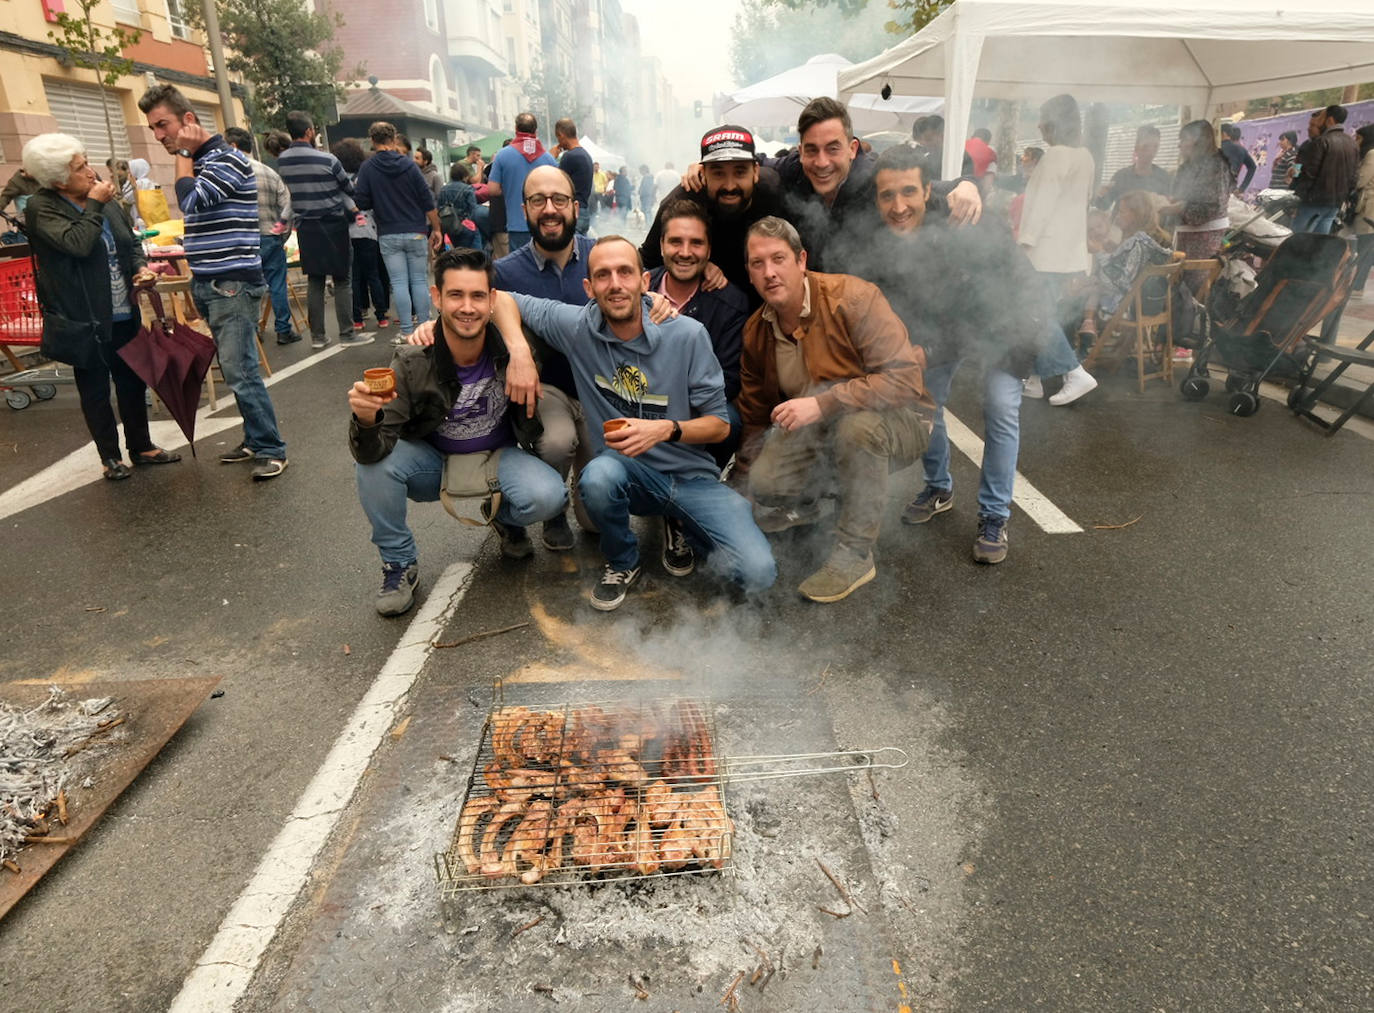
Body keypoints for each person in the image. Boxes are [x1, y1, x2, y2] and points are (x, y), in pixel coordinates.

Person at [490, 236, 777, 612]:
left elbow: (720, 427)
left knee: (758, 574)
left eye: (625, 272)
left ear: (644, 281)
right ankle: (623, 561)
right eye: (603, 275)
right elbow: (499, 298)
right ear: (589, 288)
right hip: (629, 477)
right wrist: (520, 352)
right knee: (598, 476)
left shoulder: (687, 335)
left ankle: (684, 523)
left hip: (691, 478)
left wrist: (667, 429)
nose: (615, 284)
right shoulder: (578, 327)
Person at [348, 247, 567, 616]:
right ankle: (399, 563)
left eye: (478, 295)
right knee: (374, 465)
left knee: (549, 497)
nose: (467, 307)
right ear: (436, 297)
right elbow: (375, 447)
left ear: (491, 300)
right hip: (435, 461)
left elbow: (581, 322)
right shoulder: (413, 359)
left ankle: (506, 518)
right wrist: (367, 420)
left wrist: (654, 300)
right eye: (456, 295)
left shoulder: (516, 348)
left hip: (499, 457)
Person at [862, 145, 1044, 565]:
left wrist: (928, 350)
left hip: (1008, 321)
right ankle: (939, 487)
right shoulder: (886, 236)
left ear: (929, 192)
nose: (898, 206)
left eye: (909, 192)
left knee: (999, 406)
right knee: (926, 398)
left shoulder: (969, 225)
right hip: (948, 326)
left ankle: (995, 515)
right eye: (887, 196)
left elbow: (981, 314)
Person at [736, 216, 927, 603]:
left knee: (856, 430)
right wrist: (745, 486)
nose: (770, 273)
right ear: (750, 273)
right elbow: (755, 413)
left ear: (801, 260)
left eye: (778, 259)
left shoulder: (853, 298)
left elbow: (906, 381)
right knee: (766, 481)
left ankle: (855, 553)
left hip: (900, 420)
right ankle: (815, 502)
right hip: (821, 427)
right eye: (758, 264)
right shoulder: (757, 330)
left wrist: (824, 403)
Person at [139, 83, 288, 479]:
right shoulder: (204, 162)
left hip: (232, 282)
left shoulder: (226, 160)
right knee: (233, 365)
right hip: (211, 280)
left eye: (163, 125)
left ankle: (272, 447)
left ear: (188, 120)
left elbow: (190, 201)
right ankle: (255, 439)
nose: (159, 135)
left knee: (241, 371)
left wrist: (185, 153)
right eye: (153, 128)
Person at [22, 133, 179, 480]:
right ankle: (110, 456)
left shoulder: (106, 200)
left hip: (123, 307)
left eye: (87, 162)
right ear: (58, 180)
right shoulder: (42, 207)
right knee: (94, 387)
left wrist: (140, 267)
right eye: (80, 169)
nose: (91, 173)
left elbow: (129, 242)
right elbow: (76, 244)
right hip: (84, 316)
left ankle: (141, 446)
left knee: (133, 379)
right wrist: (93, 205)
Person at [648, 199, 750, 467]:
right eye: (675, 242)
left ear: (709, 250)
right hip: (640, 401)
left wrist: (676, 408)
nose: (685, 252)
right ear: (661, 246)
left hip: (697, 409)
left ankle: (699, 479)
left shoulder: (731, 304)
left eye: (696, 243)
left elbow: (729, 379)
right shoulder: (638, 293)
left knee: (730, 417)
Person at [641, 125, 789, 306]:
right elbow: (646, 262)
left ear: (756, 172)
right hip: (710, 308)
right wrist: (697, 264)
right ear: (703, 174)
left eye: (740, 172)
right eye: (718, 173)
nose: (729, 185)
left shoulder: (773, 191)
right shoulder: (680, 203)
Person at [1018, 93, 1099, 406]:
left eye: (1043, 118)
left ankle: (1073, 372)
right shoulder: (1085, 157)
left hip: (1044, 252)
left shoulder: (1056, 156)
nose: (1039, 124)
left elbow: (1042, 206)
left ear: (1054, 122)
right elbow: (1084, 203)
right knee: (1045, 313)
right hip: (1070, 252)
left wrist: (1025, 242)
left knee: (1036, 314)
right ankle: (1036, 379)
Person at [275, 110, 369, 349]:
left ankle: (318, 337)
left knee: (315, 280)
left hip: (306, 227)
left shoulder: (283, 160)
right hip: (333, 223)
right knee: (342, 280)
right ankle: (347, 333)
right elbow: (347, 188)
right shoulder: (328, 160)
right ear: (309, 132)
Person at [354, 120, 443, 343]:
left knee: (399, 282)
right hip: (415, 231)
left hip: (388, 233)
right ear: (394, 140)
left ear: (372, 141)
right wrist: (437, 229)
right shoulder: (409, 166)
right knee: (420, 280)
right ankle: (425, 327)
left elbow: (361, 201)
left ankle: (405, 331)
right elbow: (427, 199)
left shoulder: (368, 168)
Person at [225, 127, 299, 346]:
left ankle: (253, 328)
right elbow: (288, 205)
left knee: (247, 286)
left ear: (233, 146)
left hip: (242, 240)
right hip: (270, 236)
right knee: (277, 285)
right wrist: (281, 235)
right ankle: (283, 330)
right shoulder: (269, 172)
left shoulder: (228, 174)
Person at [1075, 190, 1175, 343]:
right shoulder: (1157, 237)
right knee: (1085, 288)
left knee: (1076, 296)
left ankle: (1082, 341)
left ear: (1136, 214)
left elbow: (1119, 281)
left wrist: (1099, 252)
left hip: (1129, 305)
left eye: (1122, 211)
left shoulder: (1138, 242)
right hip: (1154, 303)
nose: (1117, 216)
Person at [1163, 119, 1231, 289]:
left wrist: (1181, 207)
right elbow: (1179, 196)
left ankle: (1194, 314)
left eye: (1184, 140)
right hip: (1184, 237)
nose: (1180, 145)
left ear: (1198, 141)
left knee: (1194, 286)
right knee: (1178, 282)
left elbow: (1212, 206)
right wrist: (1170, 202)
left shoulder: (1216, 165)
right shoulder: (1185, 168)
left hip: (1204, 240)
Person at [333, 138, 391, 333]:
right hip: (367, 229)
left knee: (355, 278)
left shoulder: (337, 180)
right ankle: (382, 315)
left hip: (346, 232)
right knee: (373, 274)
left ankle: (357, 319)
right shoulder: (364, 175)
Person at [487, 112, 556, 252]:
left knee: (520, 269)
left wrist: (510, 189)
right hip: (544, 224)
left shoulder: (502, 155)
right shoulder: (549, 158)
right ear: (535, 131)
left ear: (516, 129)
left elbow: (492, 189)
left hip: (516, 225)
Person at [1293, 104, 1359, 235]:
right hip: (1334, 203)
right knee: (1320, 243)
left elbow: (1309, 174)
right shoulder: (1352, 143)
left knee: (1299, 241)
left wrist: (1297, 197)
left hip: (1314, 202)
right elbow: (1354, 176)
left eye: (1321, 117)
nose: (1316, 123)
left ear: (1329, 120)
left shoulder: (1321, 141)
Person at [1095, 125, 1173, 210]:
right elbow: (1103, 206)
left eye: (1155, 147)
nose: (1151, 152)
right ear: (1136, 148)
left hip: (1151, 223)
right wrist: (1101, 194)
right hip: (1120, 223)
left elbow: (1167, 210)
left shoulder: (1163, 177)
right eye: (1145, 146)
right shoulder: (1121, 176)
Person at [552, 118, 593, 234]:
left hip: (573, 212)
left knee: (571, 250)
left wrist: (551, 158)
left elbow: (555, 182)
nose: (558, 142)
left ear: (561, 135)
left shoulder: (569, 156)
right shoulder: (586, 155)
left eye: (558, 138)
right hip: (584, 210)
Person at [1350, 124, 1374, 298]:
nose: (1355, 141)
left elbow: (1361, 180)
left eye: (1358, 138)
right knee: (1367, 248)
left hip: (1368, 208)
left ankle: (1356, 285)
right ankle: (1357, 285)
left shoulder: (1372, 154)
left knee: (1364, 247)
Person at [438, 161, 480, 249]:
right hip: (465, 225)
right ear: (464, 175)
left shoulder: (443, 190)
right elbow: (474, 210)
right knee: (475, 253)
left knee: (458, 252)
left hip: (450, 227)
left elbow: (439, 209)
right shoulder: (468, 189)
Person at [1219, 123, 1257, 193]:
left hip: (1215, 189)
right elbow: (1253, 167)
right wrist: (1242, 188)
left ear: (1223, 133)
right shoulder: (1241, 150)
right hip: (1231, 190)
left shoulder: (1217, 148)